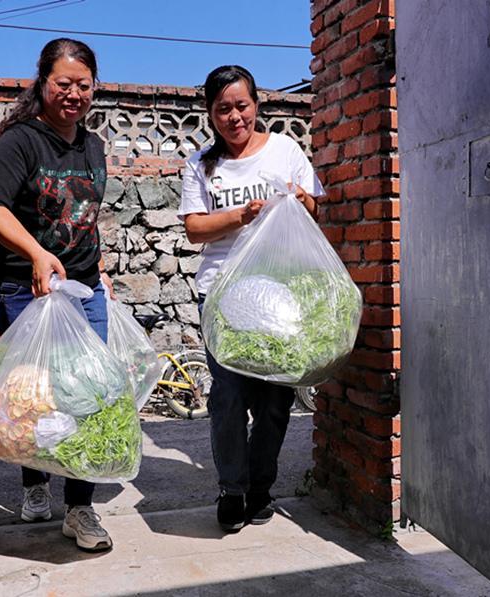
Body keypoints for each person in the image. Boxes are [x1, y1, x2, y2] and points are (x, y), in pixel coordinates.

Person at [0, 38, 114, 551]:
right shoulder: (21, 141)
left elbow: (85, 220)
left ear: (94, 87)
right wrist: (36, 253)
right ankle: (35, 484)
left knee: (89, 396)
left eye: (83, 84)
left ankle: (80, 507)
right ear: (43, 83)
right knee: (33, 397)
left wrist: (100, 273)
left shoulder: (94, 146)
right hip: (26, 287)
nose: (73, 93)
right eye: (63, 83)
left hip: (84, 288)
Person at [178, 65, 324, 532]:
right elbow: (194, 228)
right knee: (228, 395)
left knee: (276, 399)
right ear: (210, 114)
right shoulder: (202, 163)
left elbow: (316, 206)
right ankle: (232, 489)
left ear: (257, 105)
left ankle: (261, 487)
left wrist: (302, 199)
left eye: (241, 106)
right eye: (223, 109)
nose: (234, 117)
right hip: (221, 294)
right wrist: (241, 215)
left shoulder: (285, 149)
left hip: (281, 294)